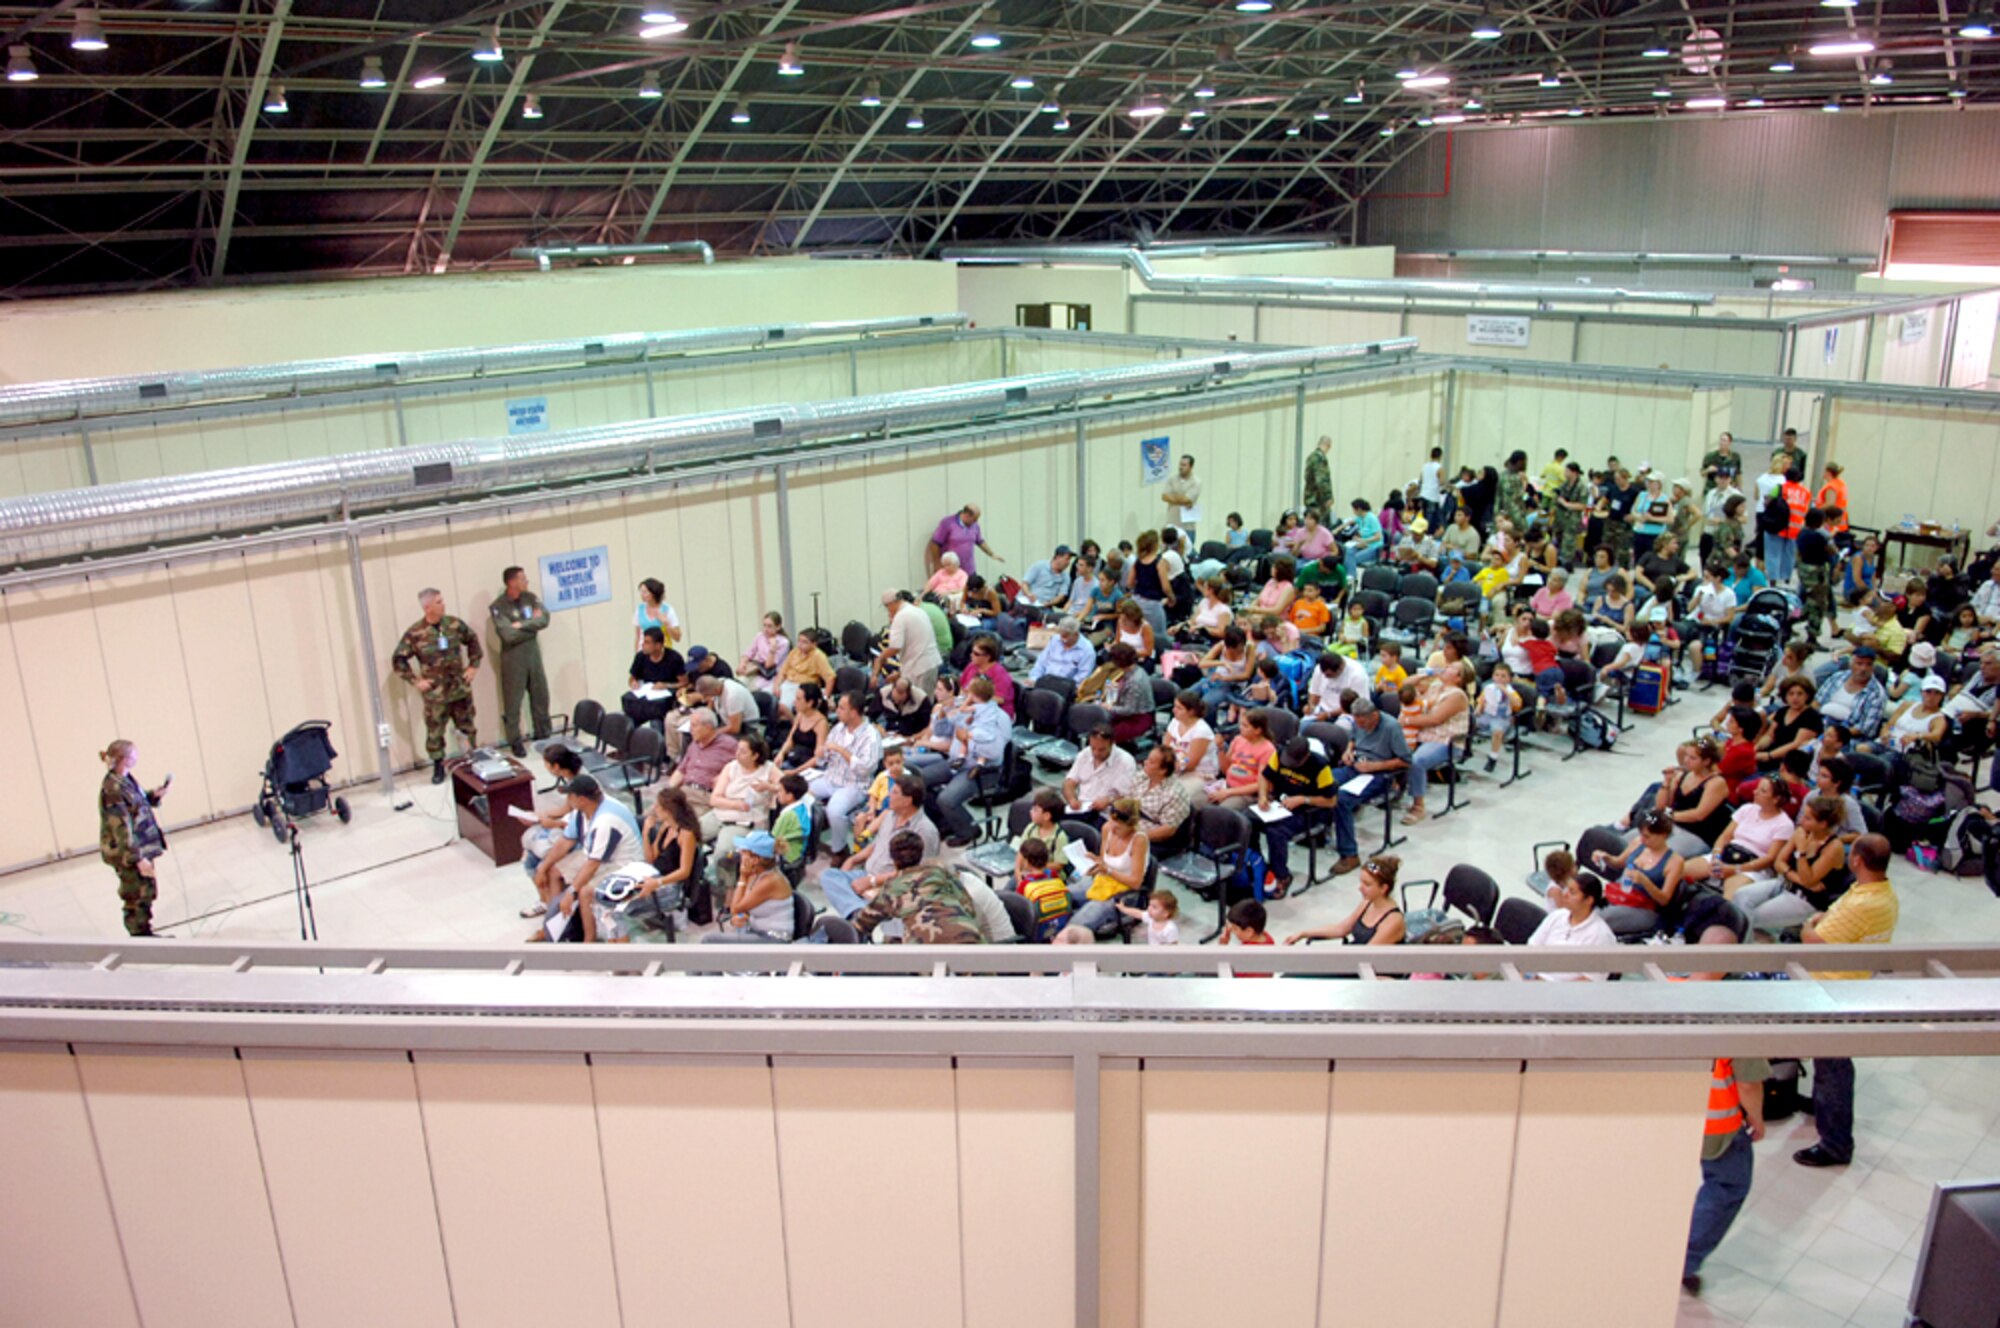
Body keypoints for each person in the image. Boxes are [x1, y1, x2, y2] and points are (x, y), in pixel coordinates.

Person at [1794, 834, 1899, 1168]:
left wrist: (1808, 924)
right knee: (1829, 1065)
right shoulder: (1882, 893)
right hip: (1845, 983)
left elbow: (1813, 938)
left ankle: (1836, 1145)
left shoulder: (1861, 904)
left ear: (1856, 860)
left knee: (1834, 1065)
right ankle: (1822, 1104)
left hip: (1836, 990)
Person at [1680, 926, 1768, 1296]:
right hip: (1714, 1125)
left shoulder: (1663, 985)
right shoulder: (1733, 1011)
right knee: (1729, 1184)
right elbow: (1747, 1083)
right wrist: (1757, 1119)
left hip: (1663, 1114)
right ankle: (1683, 1259)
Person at [392, 588, 484, 783]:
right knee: (435, 732)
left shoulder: (454, 624)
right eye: (439, 602)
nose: (444, 605)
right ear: (428, 607)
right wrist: (416, 681)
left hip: (460, 689)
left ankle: (470, 762)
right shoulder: (415, 633)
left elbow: (473, 641)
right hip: (436, 695)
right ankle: (438, 767)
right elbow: (399, 660)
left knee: (467, 727)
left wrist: (473, 666)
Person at [819, 773, 939, 919]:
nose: (888, 794)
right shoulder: (890, 815)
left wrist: (872, 882)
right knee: (828, 875)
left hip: (891, 885)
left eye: (894, 792)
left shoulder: (925, 831)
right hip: (867, 873)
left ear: (907, 800)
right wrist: (853, 859)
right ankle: (859, 911)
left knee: (843, 890)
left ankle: (860, 912)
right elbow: (878, 843)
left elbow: (917, 873)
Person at [544, 774, 643, 944]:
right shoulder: (582, 811)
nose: (567, 799)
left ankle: (588, 940)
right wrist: (543, 866)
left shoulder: (606, 820)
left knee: (585, 891)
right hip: (599, 858)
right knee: (554, 871)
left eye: (570, 796)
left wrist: (571, 891)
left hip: (624, 865)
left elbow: (593, 864)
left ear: (582, 799)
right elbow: (567, 840)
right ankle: (557, 927)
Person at [1325, 698, 1410, 876]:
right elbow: (1353, 740)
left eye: (1363, 723)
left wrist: (1375, 766)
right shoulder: (1359, 722)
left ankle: (1350, 855)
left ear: (1374, 715)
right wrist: (1348, 752)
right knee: (1323, 782)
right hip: (1357, 765)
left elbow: (1405, 761)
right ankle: (1320, 831)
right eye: (1357, 722)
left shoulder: (1391, 727)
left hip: (1379, 774)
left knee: (1342, 800)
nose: (1360, 726)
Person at [97, 739, 170, 937]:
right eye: (134, 755)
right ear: (126, 759)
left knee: (146, 890)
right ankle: (140, 935)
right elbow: (121, 829)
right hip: (128, 853)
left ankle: (145, 930)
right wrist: (138, 859)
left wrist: (152, 796)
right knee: (137, 895)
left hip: (139, 847)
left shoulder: (125, 780)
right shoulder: (113, 789)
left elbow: (136, 804)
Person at [934, 675, 1014, 848]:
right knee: (919, 779)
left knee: (946, 799)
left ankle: (968, 831)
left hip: (980, 770)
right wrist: (942, 713)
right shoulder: (965, 711)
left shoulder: (1000, 718)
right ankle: (947, 821)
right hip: (954, 761)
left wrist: (967, 741)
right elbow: (941, 732)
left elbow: (995, 753)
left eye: (968, 691)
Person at [1257, 736, 1338, 898]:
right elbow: (1265, 776)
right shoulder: (1279, 754)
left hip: (1309, 812)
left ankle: (1281, 875)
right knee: (1248, 821)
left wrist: (1303, 799)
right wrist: (1263, 796)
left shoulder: (1320, 766)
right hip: (1280, 805)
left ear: (1306, 756)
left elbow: (1331, 801)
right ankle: (1258, 865)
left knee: (1276, 832)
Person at [808, 691, 882, 855]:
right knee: (800, 791)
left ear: (854, 712)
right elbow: (825, 757)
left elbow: (866, 769)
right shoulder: (838, 728)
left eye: (842, 708)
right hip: (831, 777)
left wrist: (842, 751)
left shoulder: (870, 736)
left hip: (854, 785)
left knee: (835, 810)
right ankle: (808, 842)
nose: (837, 711)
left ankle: (839, 850)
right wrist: (821, 754)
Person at [487, 565, 550, 757]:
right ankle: (515, 741)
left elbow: (545, 620)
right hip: (513, 659)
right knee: (513, 703)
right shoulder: (498, 606)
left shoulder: (530, 598)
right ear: (512, 582)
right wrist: (531, 629)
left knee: (540, 696)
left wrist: (521, 624)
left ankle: (543, 735)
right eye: (523, 579)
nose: (526, 581)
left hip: (533, 656)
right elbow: (508, 635)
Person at [1591, 808, 1683, 939]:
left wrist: (1645, 881)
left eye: (1647, 837)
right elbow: (1618, 862)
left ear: (1663, 835)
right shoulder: (1638, 843)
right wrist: (1605, 857)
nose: (1643, 839)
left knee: (1598, 919)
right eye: (1641, 835)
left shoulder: (1674, 862)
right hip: (1621, 894)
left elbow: (1664, 900)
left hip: (1645, 908)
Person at [1400, 661, 1474, 822]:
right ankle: (1394, 789)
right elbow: (1405, 685)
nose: (1446, 668)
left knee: (1417, 761)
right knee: (1390, 746)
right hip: (1421, 734)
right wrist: (1426, 673)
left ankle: (1418, 806)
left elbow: (1435, 719)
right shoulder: (1435, 686)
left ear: (1459, 678)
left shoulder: (1457, 695)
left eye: (1452, 668)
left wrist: (1406, 720)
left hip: (1446, 741)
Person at [1284, 855, 1406, 946]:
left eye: (1367, 884)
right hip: (1352, 959)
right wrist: (1303, 933)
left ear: (1383, 888)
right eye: (1361, 882)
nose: (1360, 888)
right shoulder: (1368, 903)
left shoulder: (1392, 921)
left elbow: (1368, 955)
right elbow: (1341, 929)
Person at [1069, 798, 1151, 933]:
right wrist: (1094, 862)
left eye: (1118, 827)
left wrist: (1108, 870)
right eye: (1112, 821)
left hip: (1122, 892)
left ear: (1131, 826)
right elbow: (1103, 861)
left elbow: (1136, 883)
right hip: (1103, 879)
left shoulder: (1138, 841)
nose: (1113, 828)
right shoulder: (1107, 828)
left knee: (1077, 925)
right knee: (1063, 894)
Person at [701, 830, 797, 944]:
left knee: (709, 940)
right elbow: (741, 907)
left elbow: (736, 908)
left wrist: (742, 877)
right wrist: (739, 917)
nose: (739, 853)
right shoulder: (756, 874)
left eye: (744, 852)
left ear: (755, 860)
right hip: (754, 928)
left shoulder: (771, 881)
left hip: (773, 939)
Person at [1527, 853, 1616, 976]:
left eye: (1572, 892)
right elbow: (1531, 950)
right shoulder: (1557, 916)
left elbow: (1589, 980)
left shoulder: (1601, 935)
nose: (1565, 895)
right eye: (1566, 890)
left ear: (1588, 900)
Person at [639, 785, 702, 928]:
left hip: (672, 885)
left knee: (625, 905)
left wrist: (658, 883)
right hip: (656, 876)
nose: (654, 808)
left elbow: (684, 871)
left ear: (669, 810)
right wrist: (646, 833)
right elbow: (651, 859)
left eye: (658, 805)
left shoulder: (686, 834)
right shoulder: (665, 826)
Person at [665, 707, 735, 820]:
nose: (690, 729)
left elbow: (744, 769)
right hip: (684, 792)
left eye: (694, 725)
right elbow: (681, 770)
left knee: (680, 823)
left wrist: (724, 777)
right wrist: (668, 791)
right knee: (652, 815)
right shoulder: (694, 745)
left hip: (704, 796)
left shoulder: (729, 745)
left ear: (708, 727)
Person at [876, 589, 943, 697]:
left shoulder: (900, 616)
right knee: (926, 703)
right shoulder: (918, 610)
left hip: (919, 668)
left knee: (919, 705)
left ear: (891, 604)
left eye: (887, 607)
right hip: (931, 663)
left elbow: (895, 647)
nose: (888, 611)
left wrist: (881, 657)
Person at [1064, 723, 1139, 819]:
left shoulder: (1126, 762)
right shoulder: (1085, 754)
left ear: (1112, 744)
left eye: (1101, 750)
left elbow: (1129, 797)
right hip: (1082, 808)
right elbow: (1069, 783)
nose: (1096, 753)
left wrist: (1109, 800)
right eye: (1093, 748)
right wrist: (1072, 799)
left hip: (1106, 815)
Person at [1815, 646, 1888, 741]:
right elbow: (1817, 702)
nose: (1863, 668)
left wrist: (1834, 734)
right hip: (1820, 721)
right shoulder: (1838, 677)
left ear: (1873, 668)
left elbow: (1865, 728)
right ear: (1851, 664)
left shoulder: (1877, 693)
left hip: (1845, 733)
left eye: (1868, 664)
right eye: (1859, 663)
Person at [623, 626, 685, 725]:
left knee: (656, 723)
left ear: (658, 645)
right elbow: (632, 677)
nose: (643, 645)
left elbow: (684, 682)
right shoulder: (641, 657)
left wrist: (667, 685)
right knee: (626, 720)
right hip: (645, 699)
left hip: (663, 703)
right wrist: (633, 682)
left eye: (647, 642)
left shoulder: (674, 658)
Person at [774, 629, 835, 717]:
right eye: (799, 641)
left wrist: (825, 698)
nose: (800, 644)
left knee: (782, 708)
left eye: (804, 642)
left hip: (802, 688)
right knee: (767, 700)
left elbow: (830, 678)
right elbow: (783, 671)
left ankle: (792, 724)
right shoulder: (795, 652)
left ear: (814, 644)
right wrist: (777, 686)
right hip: (787, 684)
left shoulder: (818, 656)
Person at [738, 612, 791, 691]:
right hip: (757, 670)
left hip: (770, 675)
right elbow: (749, 652)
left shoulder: (783, 642)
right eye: (764, 625)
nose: (766, 629)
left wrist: (773, 648)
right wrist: (742, 664)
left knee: (754, 689)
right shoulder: (760, 636)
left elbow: (768, 665)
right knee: (739, 683)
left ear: (778, 627)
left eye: (769, 626)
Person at [1017, 545, 1076, 610]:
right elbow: (1025, 583)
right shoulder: (1040, 566)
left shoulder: (1066, 577)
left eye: (1069, 560)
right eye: (1067, 559)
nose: (1068, 563)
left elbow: (1061, 596)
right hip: (1026, 602)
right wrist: (1029, 594)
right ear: (1058, 557)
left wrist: (1050, 603)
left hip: (1044, 606)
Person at [633, 576, 682, 650]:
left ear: (653, 593)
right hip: (644, 652)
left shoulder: (667, 609)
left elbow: (677, 637)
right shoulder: (639, 609)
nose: (642, 594)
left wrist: (666, 622)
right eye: (641, 591)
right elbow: (638, 636)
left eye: (645, 592)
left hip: (663, 651)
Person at [1162, 453, 1202, 541]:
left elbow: (1187, 499)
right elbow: (1164, 496)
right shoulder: (1172, 479)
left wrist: (1173, 497)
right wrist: (1181, 499)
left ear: (1191, 467)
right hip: (1172, 523)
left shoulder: (1196, 482)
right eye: (1180, 464)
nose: (1181, 467)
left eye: (1184, 465)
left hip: (1187, 526)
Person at [1344, 498, 1384, 580]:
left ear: (1359, 509)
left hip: (1373, 547)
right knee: (1348, 552)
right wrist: (1337, 529)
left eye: (1354, 509)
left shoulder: (1372, 518)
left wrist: (1363, 540)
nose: (1353, 512)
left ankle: (1352, 578)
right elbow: (1350, 522)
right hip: (1363, 545)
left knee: (1352, 559)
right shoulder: (1361, 518)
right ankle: (1351, 576)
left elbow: (1378, 537)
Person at [1305, 434, 1335, 518]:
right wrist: (1327, 497)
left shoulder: (1311, 457)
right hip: (1318, 501)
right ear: (1329, 445)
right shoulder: (1320, 458)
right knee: (1320, 528)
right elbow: (1321, 480)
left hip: (1310, 498)